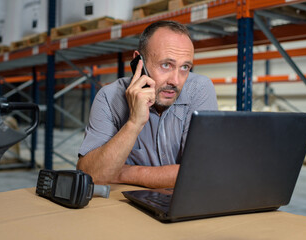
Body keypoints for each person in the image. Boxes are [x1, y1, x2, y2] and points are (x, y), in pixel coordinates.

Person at [77, 20, 218, 188]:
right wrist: (134, 123)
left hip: (182, 202)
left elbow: (202, 172)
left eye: (185, 67)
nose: (175, 81)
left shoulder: (199, 89)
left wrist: (122, 172)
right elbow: (90, 174)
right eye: (166, 65)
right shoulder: (109, 98)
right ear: (139, 62)